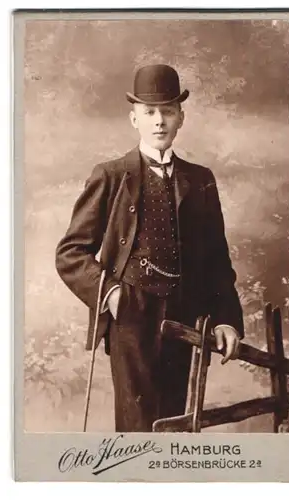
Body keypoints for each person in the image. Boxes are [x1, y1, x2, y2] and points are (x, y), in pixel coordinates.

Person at [55, 64, 244, 432]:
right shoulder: (111, 176)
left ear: (181, 118)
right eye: (149, 112)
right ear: (134, 119)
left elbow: (217, 262)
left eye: (168, 111)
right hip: (132, 319)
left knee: (180, 426)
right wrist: (109, 293)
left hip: (188, 319)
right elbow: (70, 253)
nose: (160, 121)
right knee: (138, 429)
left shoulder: (200, 180)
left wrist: (225, 319)